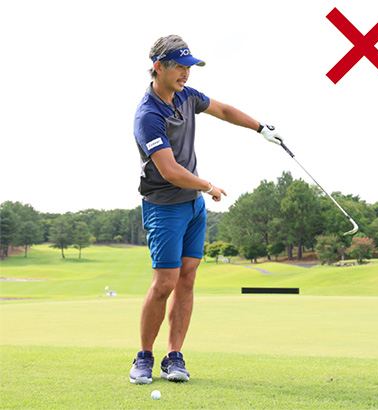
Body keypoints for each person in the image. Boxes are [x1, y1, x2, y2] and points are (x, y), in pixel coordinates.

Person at [130, 34, 283, 385]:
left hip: (192, 206)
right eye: (180, 66)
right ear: (159, 67)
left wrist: (261, 128)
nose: (186, 73)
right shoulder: (148, 115)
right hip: (164, 207)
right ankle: (144, 357)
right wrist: (207, 186)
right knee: (164, 282)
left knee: (187, 278)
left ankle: (174, 357)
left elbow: (223, 110)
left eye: (190, 66)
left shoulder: (187, 96)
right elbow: (170, 171)